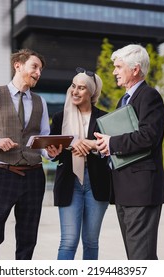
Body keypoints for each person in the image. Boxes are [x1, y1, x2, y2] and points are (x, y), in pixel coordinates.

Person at [0, 48, 50, 260]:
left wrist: (50, 152)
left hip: (34, 176)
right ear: (18, 65)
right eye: (35, 67)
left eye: (40, 69)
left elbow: (43, 139)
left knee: (28, 239)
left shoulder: (41, 102)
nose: (38, 73)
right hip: (5, 174)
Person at [95, 44, 164, 260]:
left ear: (135, 69)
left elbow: (148, 137)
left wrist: (112, 142)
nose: (114, 71)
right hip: (125, 190)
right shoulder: (123, 100)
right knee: (136, 257)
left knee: (140, 258)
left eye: (118, 66)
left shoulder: (149, 96)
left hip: (141, 191)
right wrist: (106, 147)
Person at [46, 68, 111, 260]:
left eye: (81, 88)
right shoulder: (60, 117)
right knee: (68, 240)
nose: (75, 91)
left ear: (91, 92)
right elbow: (53, 152)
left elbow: (111, 150)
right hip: (69, 182)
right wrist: (54, 152)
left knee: (91, 242)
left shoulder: (104, 118)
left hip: (97, 183)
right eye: (73, 86)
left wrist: (91, 146)